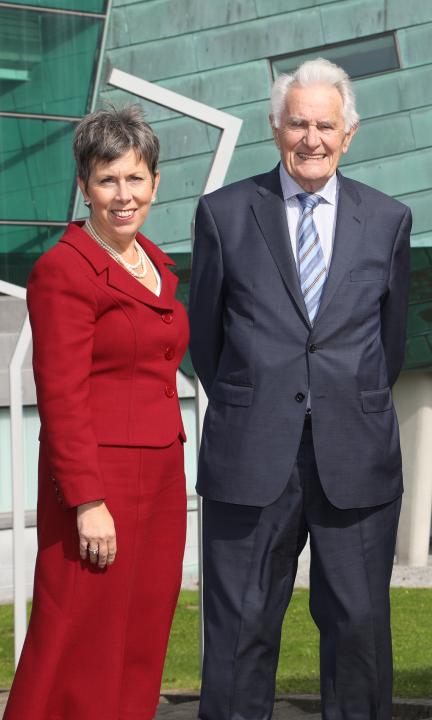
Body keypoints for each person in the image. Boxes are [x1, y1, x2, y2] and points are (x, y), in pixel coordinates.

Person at [189, 56, 411, 720]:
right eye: (297, 124)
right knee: (238, 634)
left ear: (350, 133)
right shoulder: (224, 214)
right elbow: (207, 338)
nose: (310, 139)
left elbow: (389, 343)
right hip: (250, 454)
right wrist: (258, 396)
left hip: (357, 454)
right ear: (275, 127)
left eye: (324, 125)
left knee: (360, 634)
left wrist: (340, 398)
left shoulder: (390, 218)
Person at [4, 106, 188, 720]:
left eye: (135, 179)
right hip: (98, 486)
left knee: (139, 636)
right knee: (75, 636)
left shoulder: (157, 266)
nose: (123, 195)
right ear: (83, 186)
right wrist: (87, 501)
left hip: (159, 481)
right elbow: (60, 396)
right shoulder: (64, 270)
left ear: (155, 184)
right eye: (107, 180)